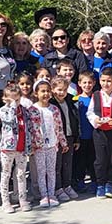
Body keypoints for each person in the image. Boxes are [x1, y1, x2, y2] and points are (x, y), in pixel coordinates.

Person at [0, 82, 40, 213]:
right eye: (11, 99)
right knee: (6, 174)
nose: (15, 103)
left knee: (21, 174)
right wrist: (11, 106)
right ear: (4, 98)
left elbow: (30, 126)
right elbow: (10, 120)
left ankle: (22, 199)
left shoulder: (24, 111)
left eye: (17, 99)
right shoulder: (3, 110)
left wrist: (31, 143)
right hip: (8, 148)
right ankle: (5, 201)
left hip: (22, 147)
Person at [31, 79, 68, 208]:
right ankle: (44, 195)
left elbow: (59, 127)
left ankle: (51, 195)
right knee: (41, 172)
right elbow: (30, 129)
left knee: (51, 171)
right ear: (36, 93)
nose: (46, 94)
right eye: (43, 91)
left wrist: (63, 142)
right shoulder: (32, 109)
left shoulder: (54, 109)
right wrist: (31, 145)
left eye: (48, 91)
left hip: (52, 145)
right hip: (38, 147)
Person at [87, 66, 112, 198]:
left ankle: (109, 183)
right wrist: (96, 120)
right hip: (99, 133)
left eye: (109, 81)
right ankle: (100, 184)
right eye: (103, 81)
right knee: (100, 160)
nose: (105, 84)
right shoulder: (96, 95)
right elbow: (90, 112)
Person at [50, 76, 80, 202]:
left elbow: (75, 119)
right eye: (59, 89)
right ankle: (58, 188)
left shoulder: (70, 101)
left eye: (64, 90)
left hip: (69, 136)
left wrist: (76, 138)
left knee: (68, 163)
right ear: (53, 89)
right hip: (57, 138)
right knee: (57, 164)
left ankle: (67, 185)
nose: (62, 92)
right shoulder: (51, 103)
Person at [75, 71, 97, 191]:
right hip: (82, 135)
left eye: (89, 82)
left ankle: (94, 180)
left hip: (94, 135)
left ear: (94, 83)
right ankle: (80, 180)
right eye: (84, 82)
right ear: (79, 83)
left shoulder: (97, 98)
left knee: (93, 159)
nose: (87, 85)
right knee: (81, 160)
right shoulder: (76, 99)